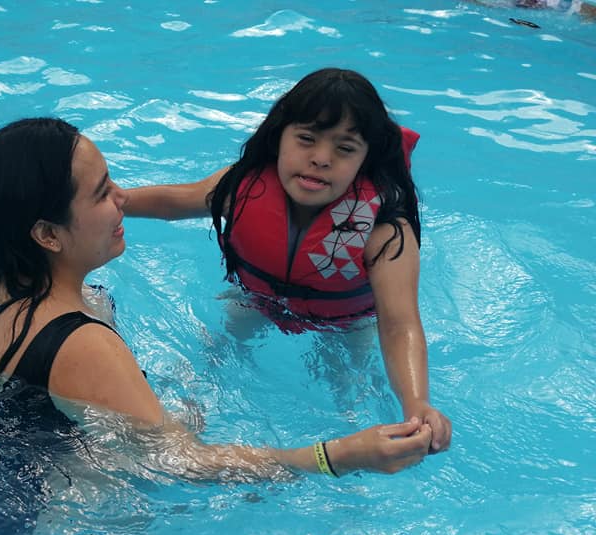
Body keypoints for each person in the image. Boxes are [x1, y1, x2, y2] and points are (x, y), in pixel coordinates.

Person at [0, 117, 433, 535]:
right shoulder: (82, 342)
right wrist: (338, 456)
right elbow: (183, 467)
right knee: (156, 520)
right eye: (101, 195)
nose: (121, 201)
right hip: (15, 525)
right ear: (47, 234)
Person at [122, 68, 452, 454]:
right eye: (306, 139)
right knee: (216, 354)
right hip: (257, 298)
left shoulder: (383, 230)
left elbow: (399, 325)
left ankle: (351, 468)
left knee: (348, 391)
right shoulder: (243, 188)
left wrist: (416, 403)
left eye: (344, 149)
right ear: (278, 138)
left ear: (365, 160)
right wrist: (107, 202)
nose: (321, 159)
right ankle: (194, 411)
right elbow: (175, 201)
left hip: (344, 323)